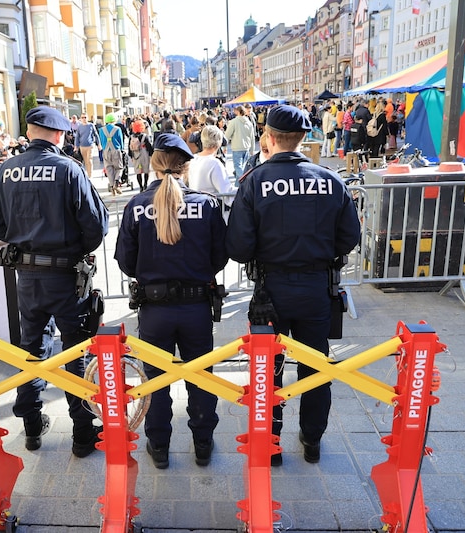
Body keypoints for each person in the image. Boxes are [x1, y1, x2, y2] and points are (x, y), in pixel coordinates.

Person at [225, 105, 361, 466]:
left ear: (269, 138)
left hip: (270, 290)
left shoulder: (254, 181)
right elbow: (350, 236)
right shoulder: (330, 179)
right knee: (316, 366)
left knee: (268, 369)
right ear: (305, 138)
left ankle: (270, 443)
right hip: (318, 287)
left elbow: (238, 248)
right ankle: (312, 439)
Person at [0, 106, 109, 457]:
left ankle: (31, 426)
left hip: (27, 277)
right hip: (67, 276)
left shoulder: (5, 170)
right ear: (58, 135)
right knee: (75, 351)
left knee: (33, 350)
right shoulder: (69, 169)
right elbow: (96, 227)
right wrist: (73, 250)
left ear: (29, 132)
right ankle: (83, 433)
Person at [115, 133, 228, 469]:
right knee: (201, 376)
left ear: (154, 164)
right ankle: (203, 443)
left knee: (156, 380)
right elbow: (220, 257)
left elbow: (124, 261)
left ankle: (159, 446)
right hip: (196, 308)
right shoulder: (206, 204)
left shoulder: (136, 205)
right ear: (185, 165)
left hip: (154, 311)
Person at [188, 125, 238, 215]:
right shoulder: (215, 163)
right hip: (211, 211)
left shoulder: (192, 159)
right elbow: (227, 193)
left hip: (196, 209)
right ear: (219, 143)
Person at [225, 105, 255, 179]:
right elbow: (252, 137)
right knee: (244, 167)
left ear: (237, 112)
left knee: (238, 167)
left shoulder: (234, 122)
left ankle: (244, 181)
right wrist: (252, 150)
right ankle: (239, 186)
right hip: (246, 147)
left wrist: (224, 146)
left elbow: (227, 135)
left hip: (237, 147)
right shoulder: (249, 123)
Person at [99, 113, 125, 195]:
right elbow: (121, 140)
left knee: (109, 169)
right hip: (115, 150)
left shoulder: (101, 130)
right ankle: (116, 183)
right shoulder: (117, 129)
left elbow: (102, 140)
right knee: (119, 168)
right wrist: (122, 149)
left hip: (106, 151)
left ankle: (112, 188)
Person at [128, 119, 153, 192]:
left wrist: (131, 156)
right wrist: (151, 155)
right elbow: (149, 147)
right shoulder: (145, 136)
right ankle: (145, 184)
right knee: (146, 170)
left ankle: (140, 186)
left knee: (138, 171)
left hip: (136, 155)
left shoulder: (131, 137)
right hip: (144, 154)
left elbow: (130, 148)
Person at [74, 113, 99, 178]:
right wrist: (76, 146)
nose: (84, 119)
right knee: (86, 161)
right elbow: (77, 137)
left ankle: (90, 175)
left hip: (90, 145)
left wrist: (99, 144)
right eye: (82, 117)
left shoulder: (91, 125)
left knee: (89, 160)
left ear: (87, 118)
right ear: (80, 119)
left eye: (85, 117)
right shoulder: (79, 127)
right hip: (82, 146)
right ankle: (87, 174)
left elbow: (96, 135)